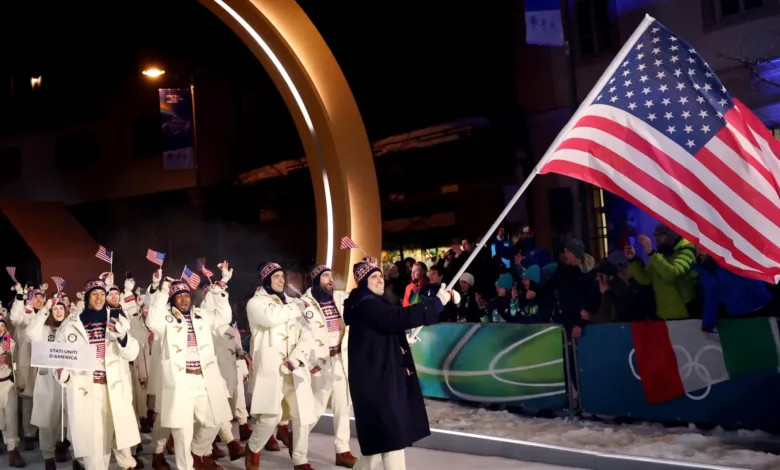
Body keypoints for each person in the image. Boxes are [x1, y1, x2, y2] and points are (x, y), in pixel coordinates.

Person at [344, 260, 453, 470]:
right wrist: (436, 303)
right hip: (378, 384)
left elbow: (379, 334)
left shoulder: (368, 303)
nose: (379, 280)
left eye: (379, 276)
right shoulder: (367, 303)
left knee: (380, 446)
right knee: (392, 440)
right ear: (363, 282)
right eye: (373, 277)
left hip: (379, 378)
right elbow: (397, 318)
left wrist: (400, 341)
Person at [146, 271, 234, 470]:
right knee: (182, 432)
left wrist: (220, 290)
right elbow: (152, 322)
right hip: (180, 381)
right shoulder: (166, 320)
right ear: (173, 300)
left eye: (186, 295)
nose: (184, 299)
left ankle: (197, 451)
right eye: (179, 296)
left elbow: (224, 317)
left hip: (203, 379)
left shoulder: (201, 315)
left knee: (214, 420)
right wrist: (163, 291)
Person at [55, 278, 141, 470]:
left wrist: (122, 336)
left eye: (102, 294)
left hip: (114, 389)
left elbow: (132, 353)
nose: (99, 298)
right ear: (87, 297)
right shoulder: (71, 325)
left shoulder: (117, 319)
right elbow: (59, 358)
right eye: (94, 294)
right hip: (86, 390)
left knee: (121, 439)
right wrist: (62, 373)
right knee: (94, 444)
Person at [244, 262, 317, 470]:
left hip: (295, 367)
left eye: (282, 276)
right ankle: (253, 448)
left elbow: (307, 332)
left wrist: (296, 357)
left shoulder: (294, 302)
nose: (281, 280)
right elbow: (272, 318)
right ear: (266, 279)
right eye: (276, 277)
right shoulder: (256, 303)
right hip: (271, 370)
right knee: (270, 418)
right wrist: (297, 306)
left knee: (303, 416)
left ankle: (300, 460)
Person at [301, 265, 357, 468]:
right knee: (316, 408)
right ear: (316, 280)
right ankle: (298, 446)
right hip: (320, 362)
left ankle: (342, 451)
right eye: (325, 276)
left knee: (343, 407)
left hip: (340, 360)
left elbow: (361, 295)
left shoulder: (340, 298)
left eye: (331, 276)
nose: (330, 279)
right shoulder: (305, 304)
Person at [27, 295, 71, 470]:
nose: (59, 311)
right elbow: (31, 332)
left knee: (67, 416)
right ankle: (48, 455)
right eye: (55, 308)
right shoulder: (43, 329)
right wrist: (45, 308)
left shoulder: (70, 327)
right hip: (48, 379)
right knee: (48, 418)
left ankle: (62, 445)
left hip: (67, 379)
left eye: (61, 308)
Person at [625, 224, 698, 320]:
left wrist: (651, 253)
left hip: (684, 314)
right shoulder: (660, 256)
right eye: (656, 236)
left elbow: (672, 274)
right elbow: (645, 279)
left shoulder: (686, 252)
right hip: (663, 315)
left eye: (662, 235)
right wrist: (633, 260)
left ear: (673, 236)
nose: (657, 239)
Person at [9, 282, 48, 451]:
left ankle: (43, 431)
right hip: (27, 363)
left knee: (45, 398)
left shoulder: (47, 316)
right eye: (36, 298)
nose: (39, 300)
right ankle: (29, 434)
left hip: (44, 363)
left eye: (41, 298)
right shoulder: (25, 315)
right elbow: (15, 318)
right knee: (28, 400)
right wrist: (20, 296)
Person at [0, 312, 25, 467]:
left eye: (2, 326)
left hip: (7, 383)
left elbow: (15, 359)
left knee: (10, 418)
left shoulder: (9, 341)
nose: (0, 329)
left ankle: (13, 449)